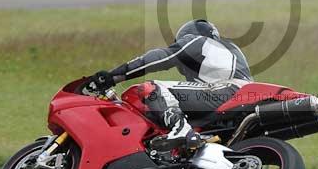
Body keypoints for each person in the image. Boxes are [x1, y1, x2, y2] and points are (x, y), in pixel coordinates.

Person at [88, 19, 253, 152]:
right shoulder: (227, 52)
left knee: (152, 88)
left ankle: (180, 129)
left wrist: (113, 76)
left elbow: (163, 57)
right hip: (240, 99)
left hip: (226, 91)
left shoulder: (198, 41)